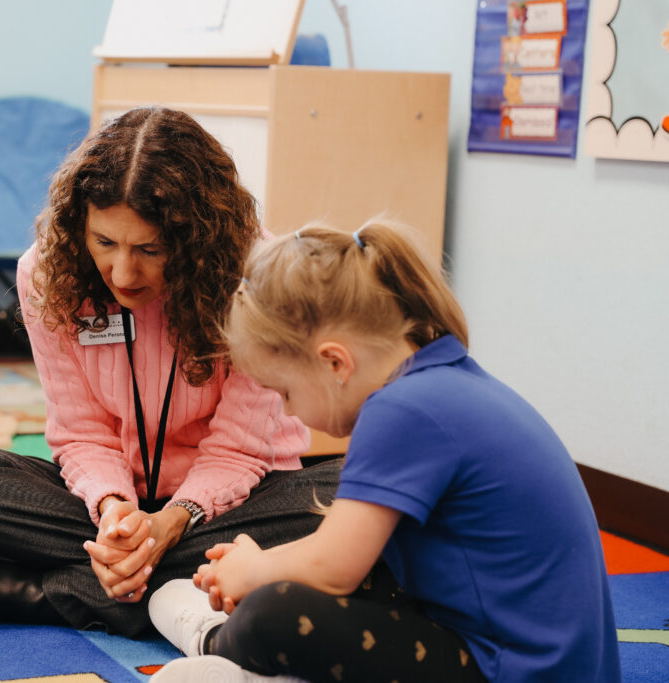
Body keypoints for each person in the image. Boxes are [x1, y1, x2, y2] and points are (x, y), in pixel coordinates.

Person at [0, 107, 343, 637]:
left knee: (347, 498)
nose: (123, 273)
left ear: (197, 239)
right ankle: (178, 580)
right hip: (107, 509)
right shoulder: (45, 271)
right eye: (104, 242)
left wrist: (170, 523)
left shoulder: (260, 275)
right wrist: (115, 514)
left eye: (150, 249)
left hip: (233, 503)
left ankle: (38, 591)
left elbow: (240, 449)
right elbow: (81, 432)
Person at [147, 219, 622, 682]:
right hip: (530, 654)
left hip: (507, 666)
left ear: (334, 362)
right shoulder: (441, 380)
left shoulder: (401, 410)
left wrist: (256, 571)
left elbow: (333, 570)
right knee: (330, 567)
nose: (289, 411)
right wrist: (259, 568)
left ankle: (220, 645)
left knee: (272, 611)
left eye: (285, 392)